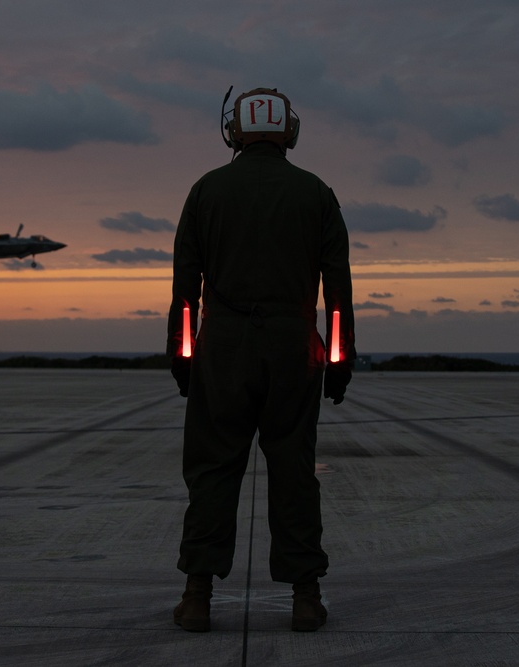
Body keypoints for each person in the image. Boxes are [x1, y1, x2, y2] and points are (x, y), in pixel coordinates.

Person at [167, 87, 355, 633]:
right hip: (293, 349)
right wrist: (339, 362)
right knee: (294, 470)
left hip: (221, 348)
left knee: (211, 469)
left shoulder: (205, 191)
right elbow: (337, 294)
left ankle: (198, 594)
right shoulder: (316, 193)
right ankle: (305, 597)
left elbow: (184, 292)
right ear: (288, 131)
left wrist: (185, 361)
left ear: (235, 131)